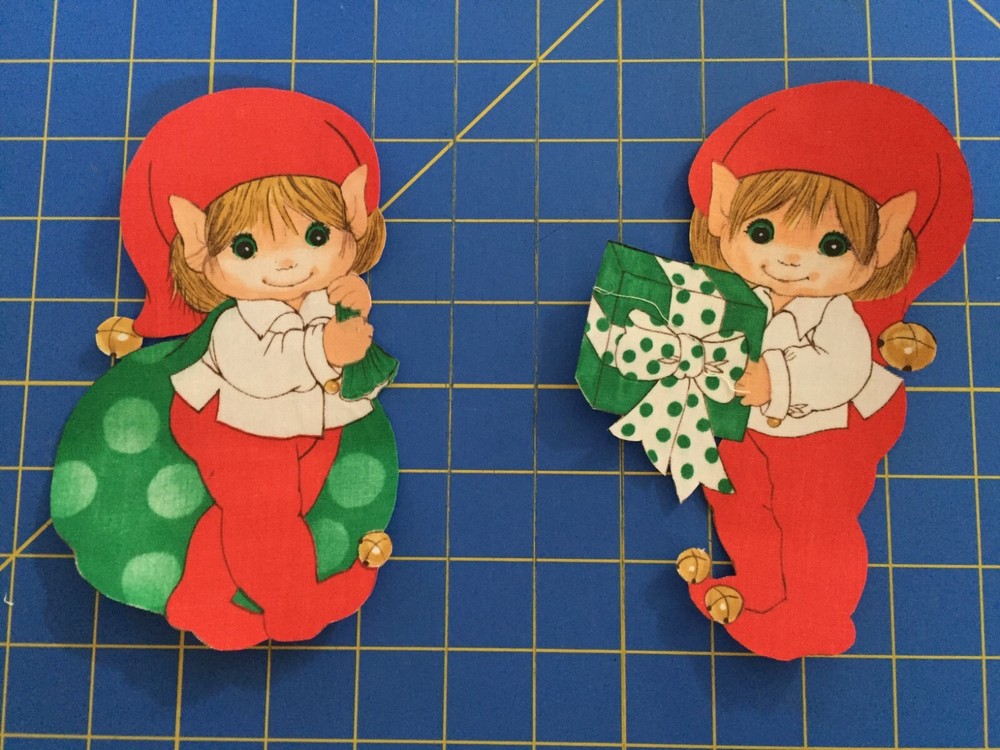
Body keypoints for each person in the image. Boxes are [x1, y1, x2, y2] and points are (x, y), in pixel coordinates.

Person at [676, 81, 973, 660]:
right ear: (723, 215)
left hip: (821, 439)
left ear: (883, 246)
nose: (789, 259)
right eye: (763, 233)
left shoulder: (838, 315)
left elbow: (843, 369)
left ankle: (818, 614)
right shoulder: (736, 300)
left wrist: (776, 381)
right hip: (743, 431)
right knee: (739, 505)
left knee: (811, 520)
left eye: (831, 245)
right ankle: (760, 593)